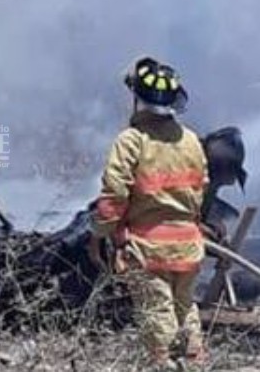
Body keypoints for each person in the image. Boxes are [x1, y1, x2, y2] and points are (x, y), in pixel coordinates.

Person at [89, 56, 208, 368]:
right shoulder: (192, 140)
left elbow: (114, 196)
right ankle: (194, 363)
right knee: (185, 308)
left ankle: (163, 364)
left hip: (147, 246)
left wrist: (99, 234)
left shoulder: (131, 141)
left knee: (157, 312)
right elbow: (200, 192)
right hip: (188, 244)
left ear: (136, 97)